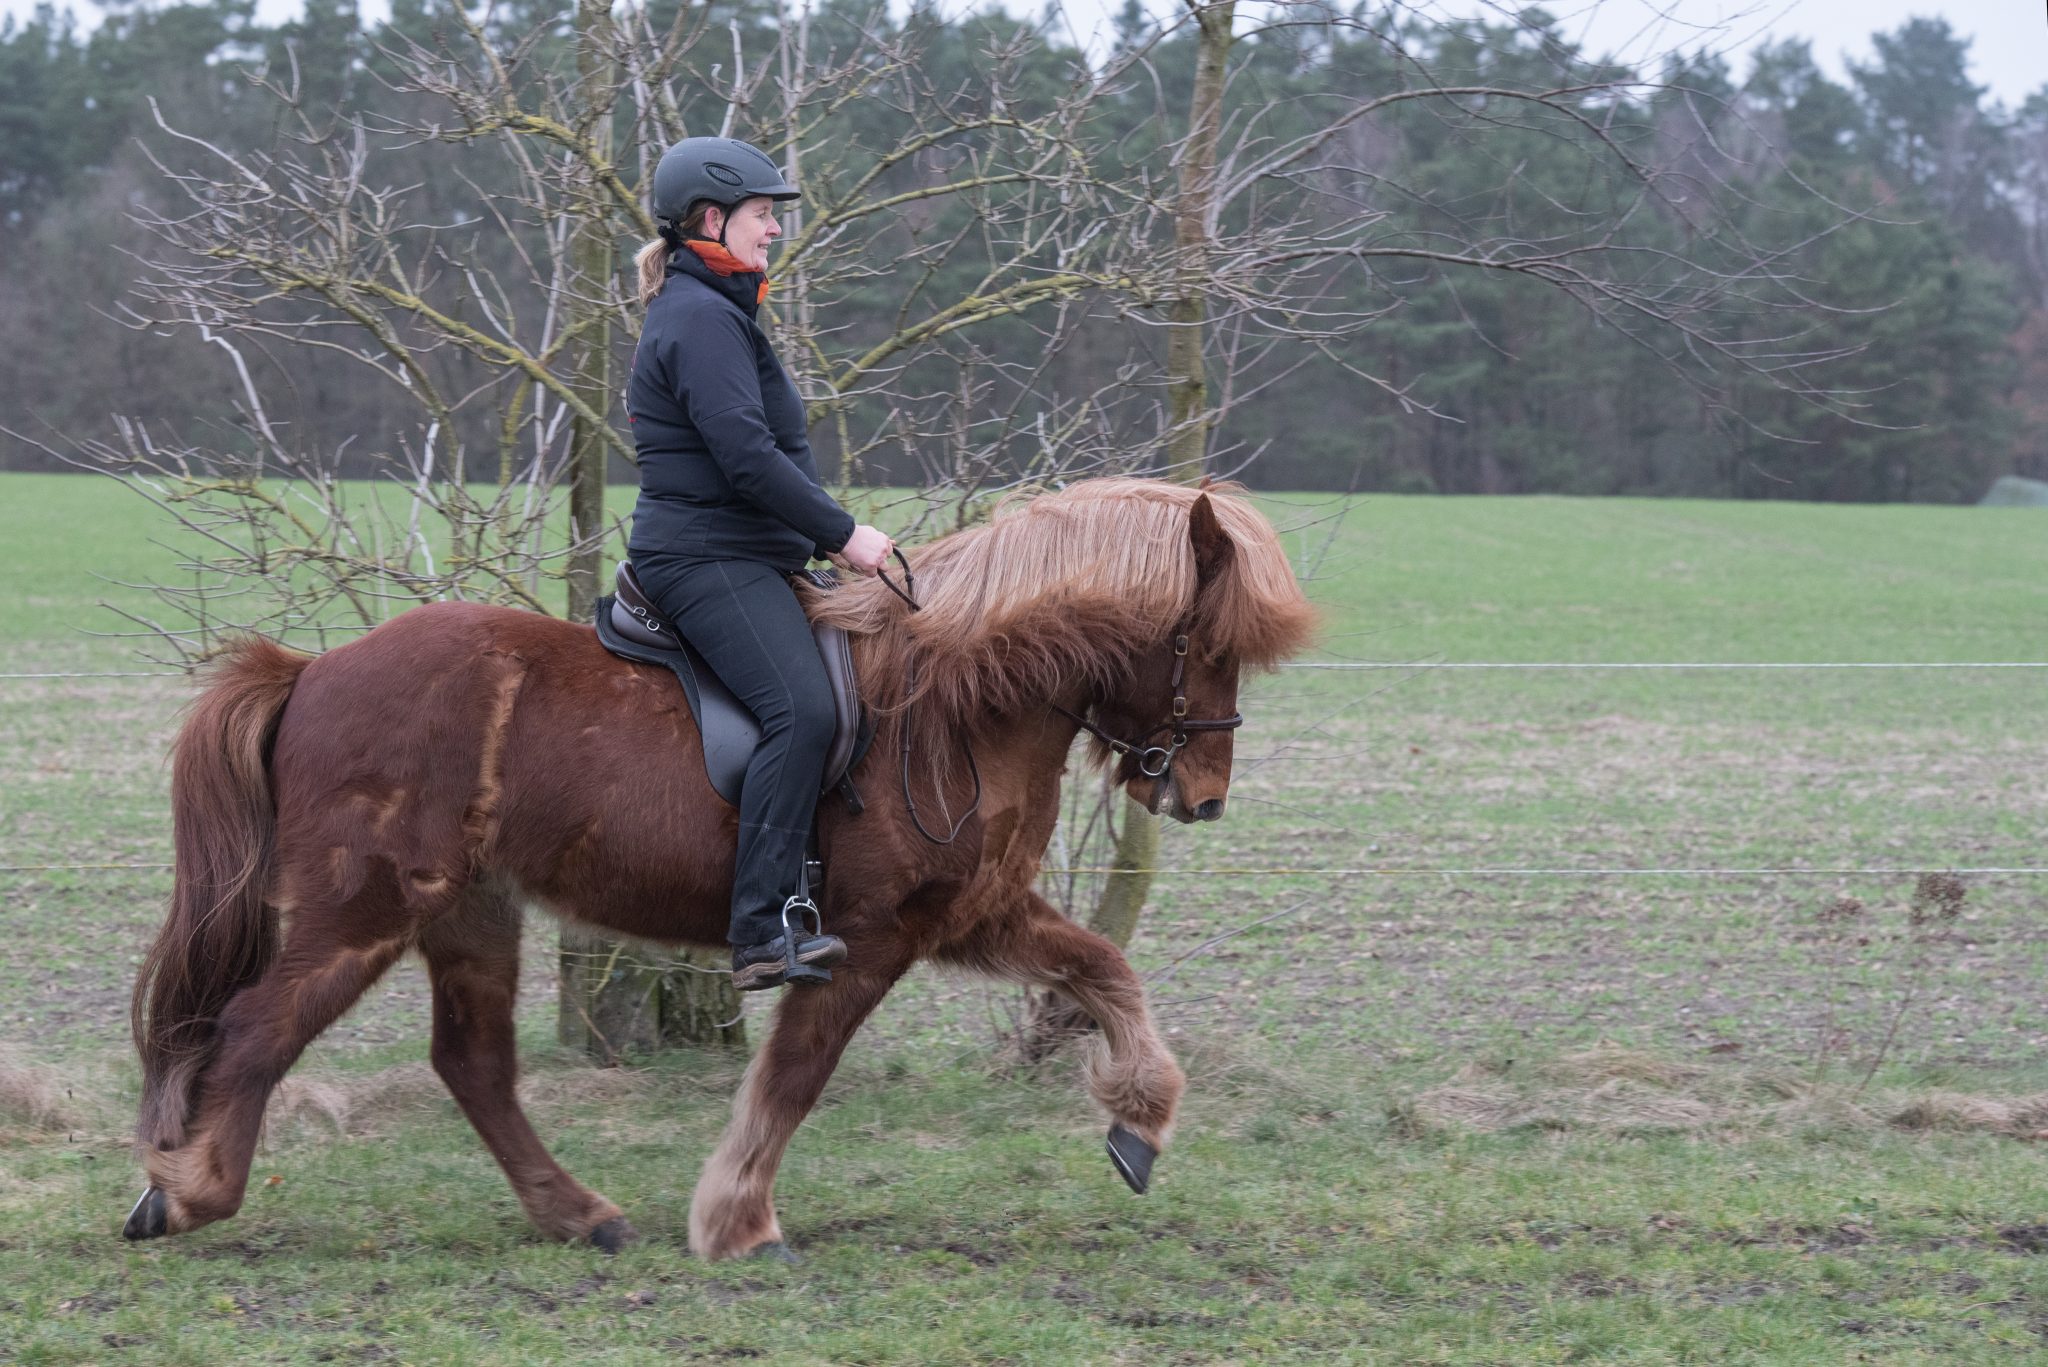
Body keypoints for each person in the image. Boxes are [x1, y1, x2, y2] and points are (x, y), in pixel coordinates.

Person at [626, 136, 895, 991]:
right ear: (712, 220)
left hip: (741, 552)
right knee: (803, 712)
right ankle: (760, 929)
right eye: (762, 214)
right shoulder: (701, 318)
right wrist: (846, 536)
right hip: (705, 559)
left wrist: (813, 542)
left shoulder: (717, 309)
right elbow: (745, 455)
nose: (775, 229)